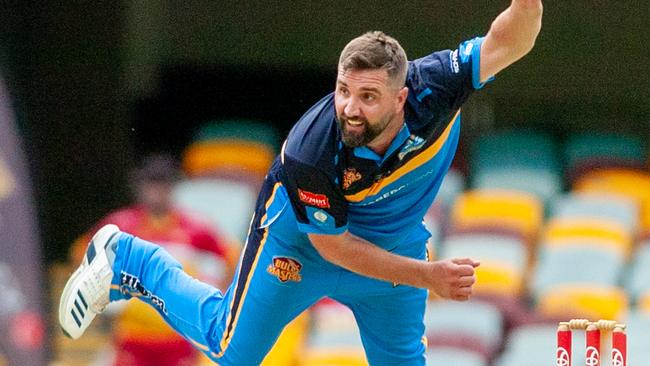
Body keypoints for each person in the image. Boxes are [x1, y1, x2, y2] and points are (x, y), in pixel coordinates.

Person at [59, 1, 543, 364]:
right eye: (343, 90)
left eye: (368, 96)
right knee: (231, 350)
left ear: (402, 98)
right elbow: (332, 247)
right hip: (303, 244)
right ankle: (130, 259)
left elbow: (510, 41)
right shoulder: (309, 149)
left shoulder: (438, 86)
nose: (350, 108)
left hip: (393, 249)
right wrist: (427, 276)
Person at [67, 154, 231, 366]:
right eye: (151, 184)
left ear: (172, 187)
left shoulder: (195, 229)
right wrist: (100, 297)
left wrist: (215, 303)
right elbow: (80, 252)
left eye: (162, 184)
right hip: (132, 336)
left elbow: (230, 257)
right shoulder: (121, 225)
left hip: (178, 337)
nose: (156, 191)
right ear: (140, 186)